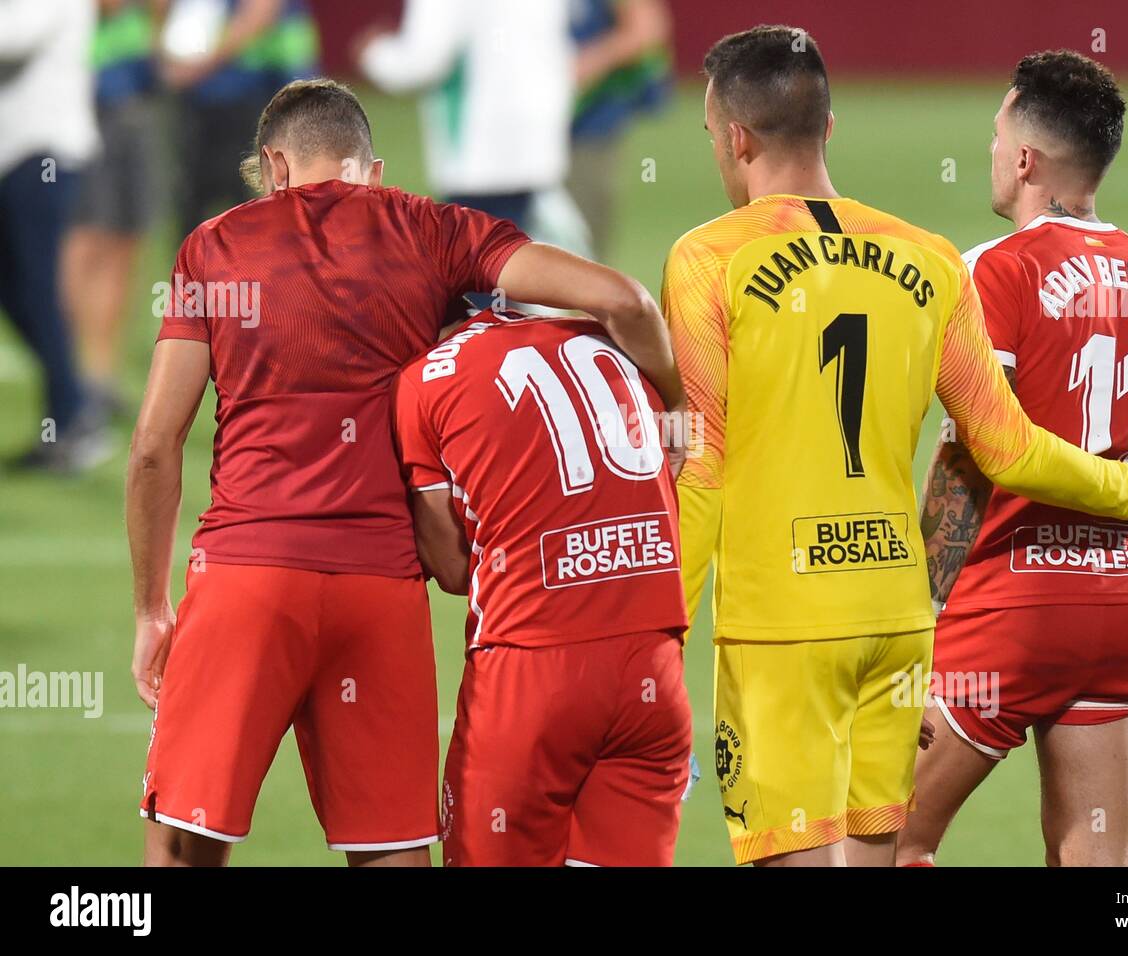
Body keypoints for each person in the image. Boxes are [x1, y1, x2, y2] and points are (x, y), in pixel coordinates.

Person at [126, 78, 683, 866]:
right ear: (373, 170)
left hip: (247, 579)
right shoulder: (439, 229)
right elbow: (622, 300)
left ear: (274, 165)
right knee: (391, 851)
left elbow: (154, 443)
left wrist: (152, 606)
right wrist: (672, 410)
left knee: (186, 843)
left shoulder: (214, 247)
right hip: (383, 593)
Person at [661, 25, 1128, 867]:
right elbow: (1006, 446)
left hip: (782, 629)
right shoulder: (931, 260)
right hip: (896, 622)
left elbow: (703, 464)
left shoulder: (706, 259)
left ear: (734, 138)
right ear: (829, 127)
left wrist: (654, 640)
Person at [896, 51, 1128, 868]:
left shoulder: (992, 271)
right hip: (1124, 607)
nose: (993, 150)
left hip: (1007, 610)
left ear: (1025, 158)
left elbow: (965, 463)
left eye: (996, 134)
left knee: (886, 841)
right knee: (1097, 859)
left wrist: (917, 616)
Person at [391, 307, 691, 866]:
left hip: (530, 671)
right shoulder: (607, 337)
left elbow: (455, 570)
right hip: (655, 668)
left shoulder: (425, 376)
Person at [0, 0, 107, 472]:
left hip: (43, 153)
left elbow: (13, 39)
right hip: (13, 152)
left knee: (38, 288)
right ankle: (72, 406)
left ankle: (73, 419)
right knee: (15, 289)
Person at [356, 0, 573, 234]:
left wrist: (374, 55)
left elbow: (426, 60)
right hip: (538, 133)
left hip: (476, 144)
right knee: (527, 249)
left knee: (479, 260)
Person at [63, 0, 166, 416]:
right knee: (87, 240)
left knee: (125, 241)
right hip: (86, 104)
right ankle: (72, 373)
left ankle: (101, 373)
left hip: (136, 97)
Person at [160, 0, 319, 235]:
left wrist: (194, 68)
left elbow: (258, 14)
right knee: (203, 198)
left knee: (241, 194)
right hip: (219, 93)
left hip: (252, 92)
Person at [568, 0, 673, 262]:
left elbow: (646, 28)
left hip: (587, 126)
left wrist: (585, 65)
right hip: (511, 127)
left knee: (579, 244)